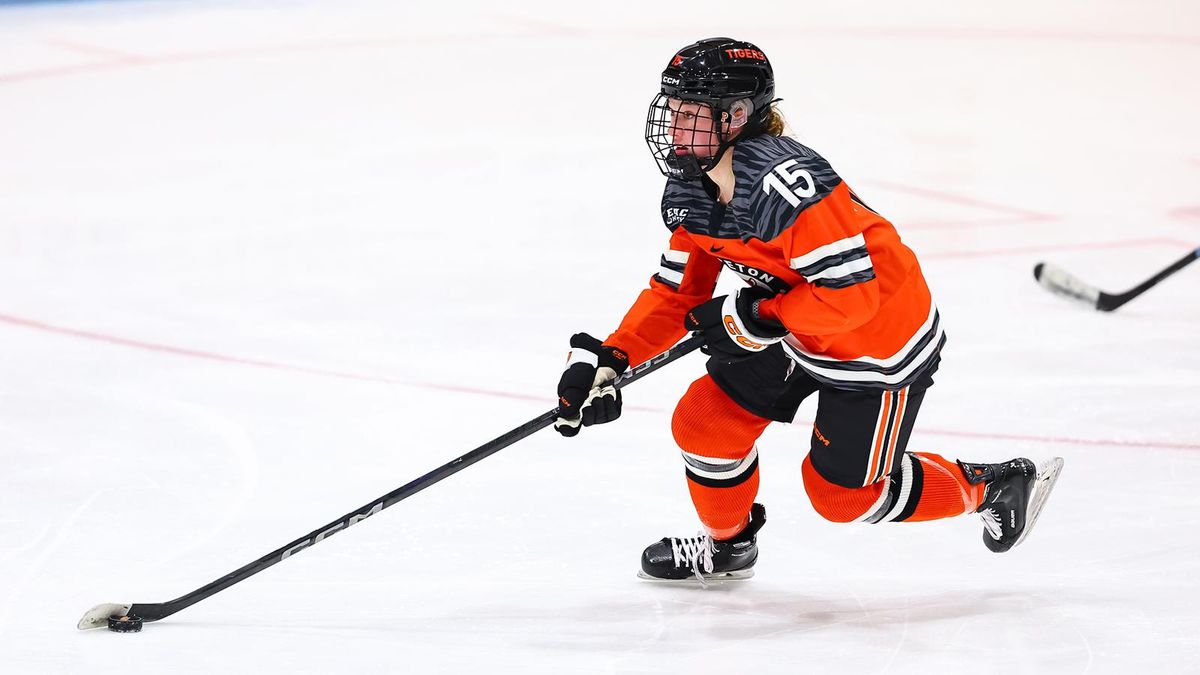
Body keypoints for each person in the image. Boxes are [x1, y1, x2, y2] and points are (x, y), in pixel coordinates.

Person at [553, 37, 1063, 581]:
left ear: (736, 117)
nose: (674, 128)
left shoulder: (785, 186)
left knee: (841, 498)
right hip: (793, 327)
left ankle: (992, 487)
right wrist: (611, 357)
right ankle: (729, 546)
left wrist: (758, 319)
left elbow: (853, 296)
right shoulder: (692, 190)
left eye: (690, 114)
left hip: (876, 342)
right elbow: (677, 292)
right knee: (704, 425)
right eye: (672, 110)